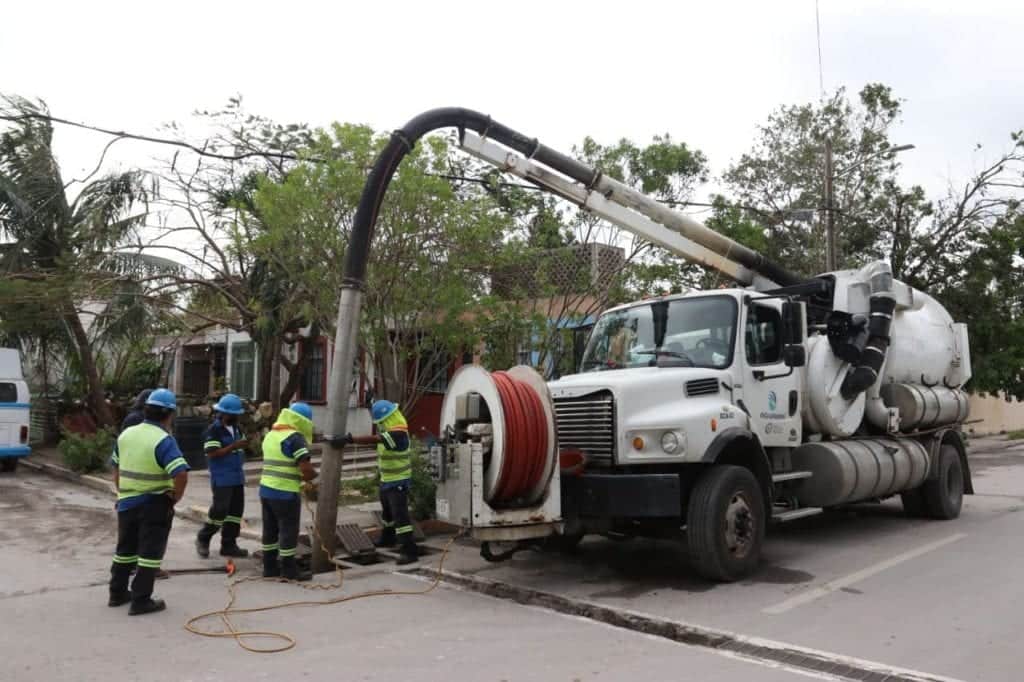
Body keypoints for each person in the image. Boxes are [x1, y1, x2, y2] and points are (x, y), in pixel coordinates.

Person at [108, 388, 188, 616]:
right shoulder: (163, 439)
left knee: (125, 550)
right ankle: (141, 600)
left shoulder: (127, 434)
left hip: (127, 502)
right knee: (150, 553)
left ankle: (117, 593)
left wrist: (122, 489)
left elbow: (115, 465)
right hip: (154, 503)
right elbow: (180, 473)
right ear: (170, 414)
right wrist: (175, 497)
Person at [345, 400, 418, 565]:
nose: (380, 425)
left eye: (381, 422)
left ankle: (409, 550)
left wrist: (351, 439)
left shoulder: (398, 433)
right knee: (387, 514)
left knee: (400, 517)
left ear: (388, 419)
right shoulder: (392, 431)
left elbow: (375, 439)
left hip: (398, 480)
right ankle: (388, 538)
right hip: (388, 480)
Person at [259, 402, 317, 581]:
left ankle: (269, 568)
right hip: (285, 493)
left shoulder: (271, 434)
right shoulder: (295, 438)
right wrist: (316, 481)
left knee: (270, 530)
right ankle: (289, 570)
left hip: (266, 490)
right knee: (288, 531)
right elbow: (306, 469)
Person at [195, 393, 250, 559]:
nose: (237, 417)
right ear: (225, 414)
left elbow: (242, 445)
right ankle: (203, 538)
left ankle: (229, 544)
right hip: (222, 478)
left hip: (237, 477)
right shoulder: (214, 430)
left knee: (235, 513)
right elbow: (212, 453)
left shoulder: (237, 429)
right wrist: (234, 447)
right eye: (235, 414)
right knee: (219, 511)